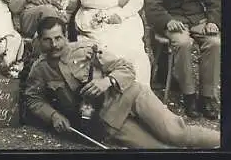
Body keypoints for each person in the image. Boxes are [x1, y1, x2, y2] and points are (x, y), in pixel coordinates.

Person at [25, 16, 220, 149]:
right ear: (39, 41)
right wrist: (53, 116)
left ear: (66, 36)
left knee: (176, 134)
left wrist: (107, 81)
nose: (54, 45)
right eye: (47, 40)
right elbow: (33, 99)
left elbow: (126, 68)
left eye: (58, 38)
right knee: (159, 149)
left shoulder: (85, 49)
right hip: (107, 119)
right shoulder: (39, 69)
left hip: (129, 95)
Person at [145, 0, 220, 120]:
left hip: (198, 19)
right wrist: (167, 20)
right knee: (183, 43)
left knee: (214, 42)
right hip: (173, 20)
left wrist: (212, 21)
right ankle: (189, 96)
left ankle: (207, 96)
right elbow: (152, 3)